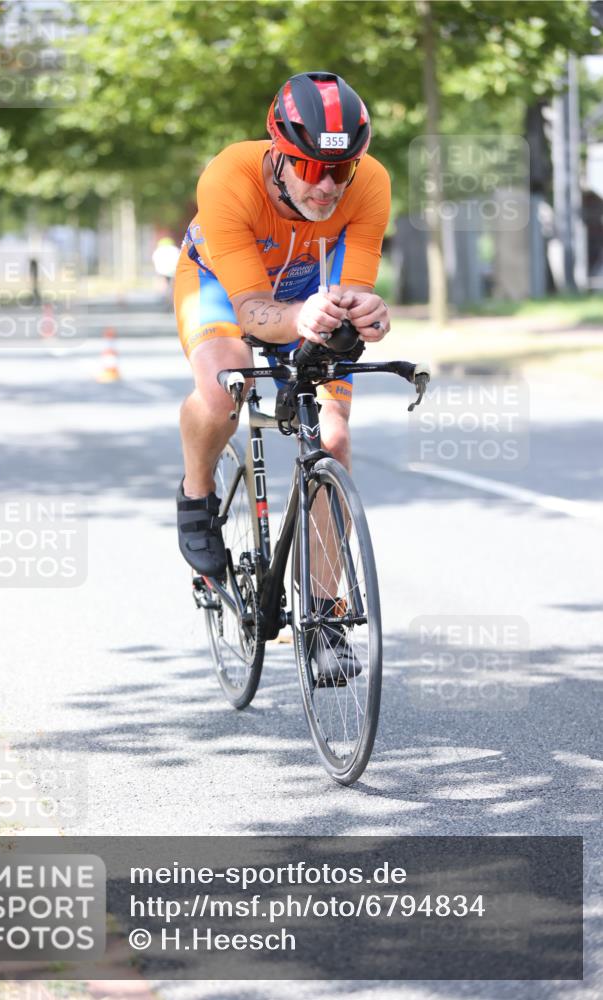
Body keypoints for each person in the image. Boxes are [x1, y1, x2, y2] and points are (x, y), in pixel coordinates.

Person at [174, 71, 391, 675]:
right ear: (278, 154)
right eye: (309, 167)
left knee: (335, 437)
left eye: (340, 170)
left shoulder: (369, 182)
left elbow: (353, 291)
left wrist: (364, 313)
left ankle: (326, 616)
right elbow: (252, 313)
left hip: (306, 293)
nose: (326, 185)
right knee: (224, 388)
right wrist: (302, 314)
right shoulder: (229, 177)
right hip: (222, 285)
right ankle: (196, 494)